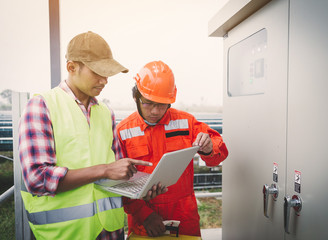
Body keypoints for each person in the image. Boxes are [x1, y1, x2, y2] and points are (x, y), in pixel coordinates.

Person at [18, 31, 166, 240]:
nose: (105, 80)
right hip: (64, 234)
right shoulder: (42, 106)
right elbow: (37, 178)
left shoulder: (105, 113)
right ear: (72, 67)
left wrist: (140, 189)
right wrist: (104, 170)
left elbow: (116, 172)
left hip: (109, 231)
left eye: (107, 74)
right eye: (98, 72)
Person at [116, 60, 229, 237]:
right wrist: (143, 215)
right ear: (136, 97)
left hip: (184, 216)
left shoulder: (186, 122)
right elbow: (117, 181)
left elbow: (219, 151)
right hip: (144, 221)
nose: (154, 111)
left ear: (170, 101)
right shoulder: (123, 131)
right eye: (147, 103)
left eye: (161, 104)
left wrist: (208, 148)